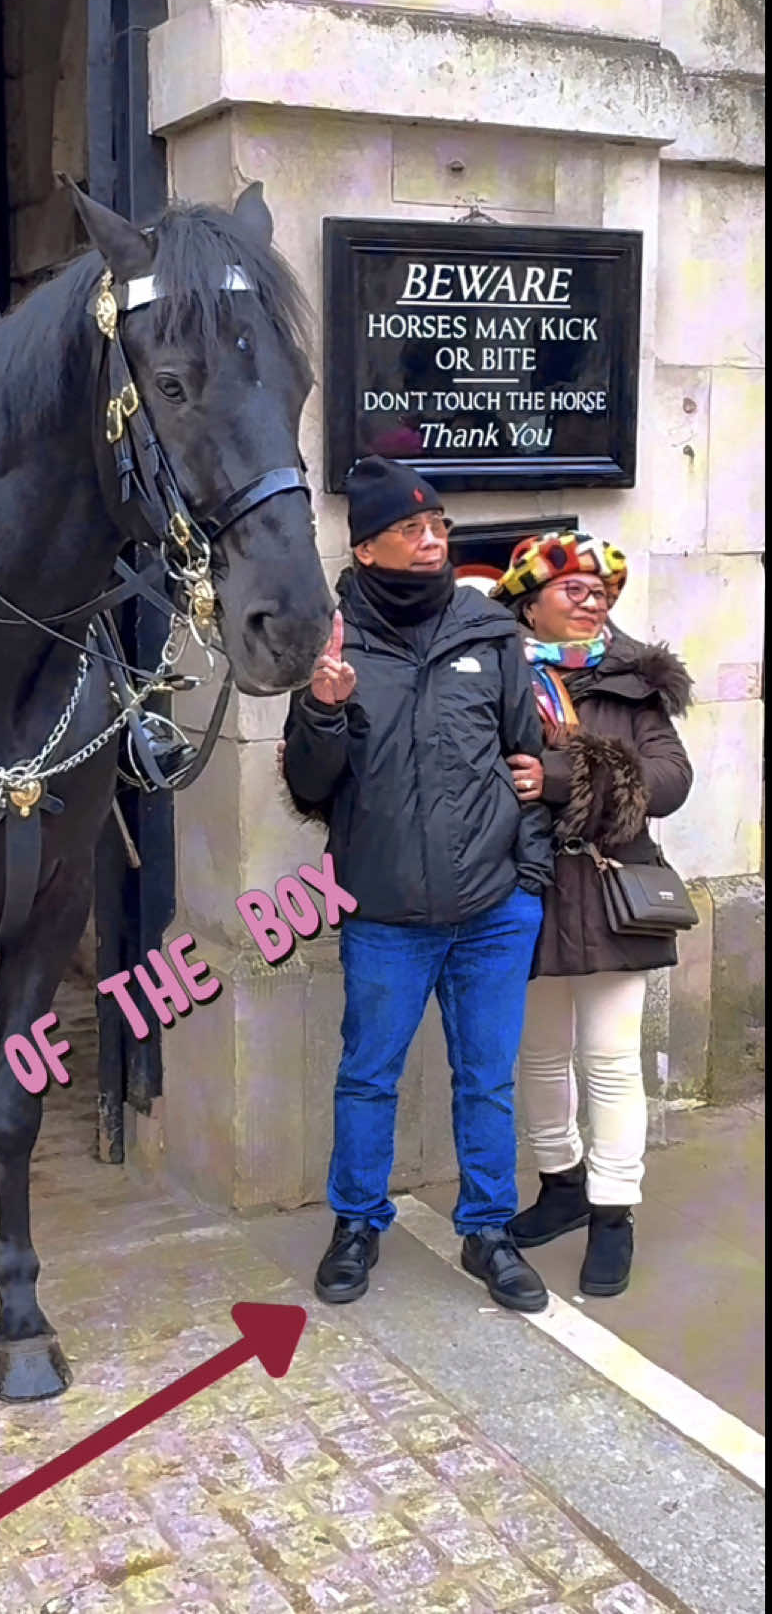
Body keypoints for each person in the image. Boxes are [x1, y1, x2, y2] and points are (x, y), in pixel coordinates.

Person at [282, 456, 555, 1314]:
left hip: (492, 910)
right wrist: (323, 709)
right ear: (366, 549)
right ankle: (357, 1223)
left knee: (487, 1077)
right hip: (388, 914)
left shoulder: (488, 630)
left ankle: (489, 1231)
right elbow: (309, 788)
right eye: (411, 528)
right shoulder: (334, 641)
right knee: (368, 1074)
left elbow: (530, 762)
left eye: (436, 523)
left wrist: (530, 880)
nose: (432, 538)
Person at [491, 531, 693, 1296]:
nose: (591, 601)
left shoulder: (633, 681)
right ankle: (562, 1185)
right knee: (539, 1054)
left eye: (601, 590)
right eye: (572, 588)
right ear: (529, 600)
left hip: (614, 896)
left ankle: (614, 1212)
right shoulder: (497, 673)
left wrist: (561, 775)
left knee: (610, 1060)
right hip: (528, 890)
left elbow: (671, 778)